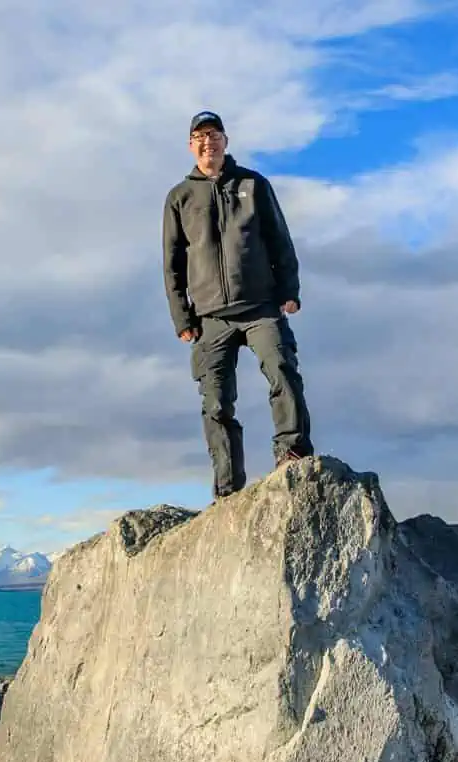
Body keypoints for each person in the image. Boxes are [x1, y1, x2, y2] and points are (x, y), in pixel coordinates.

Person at [162, 110, 314, 500]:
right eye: (199, 136)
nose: (207, 141)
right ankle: (228, 489)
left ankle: (292, 452)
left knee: (282, 369)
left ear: (226, 141)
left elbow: (281, 241)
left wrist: (289, 290)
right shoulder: (179, 197)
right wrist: (183, 316)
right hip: (211, 317)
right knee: (215, 402)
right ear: (190, 145)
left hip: (261, 305)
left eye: (214, 134)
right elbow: (173, 261)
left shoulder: (253, 184)